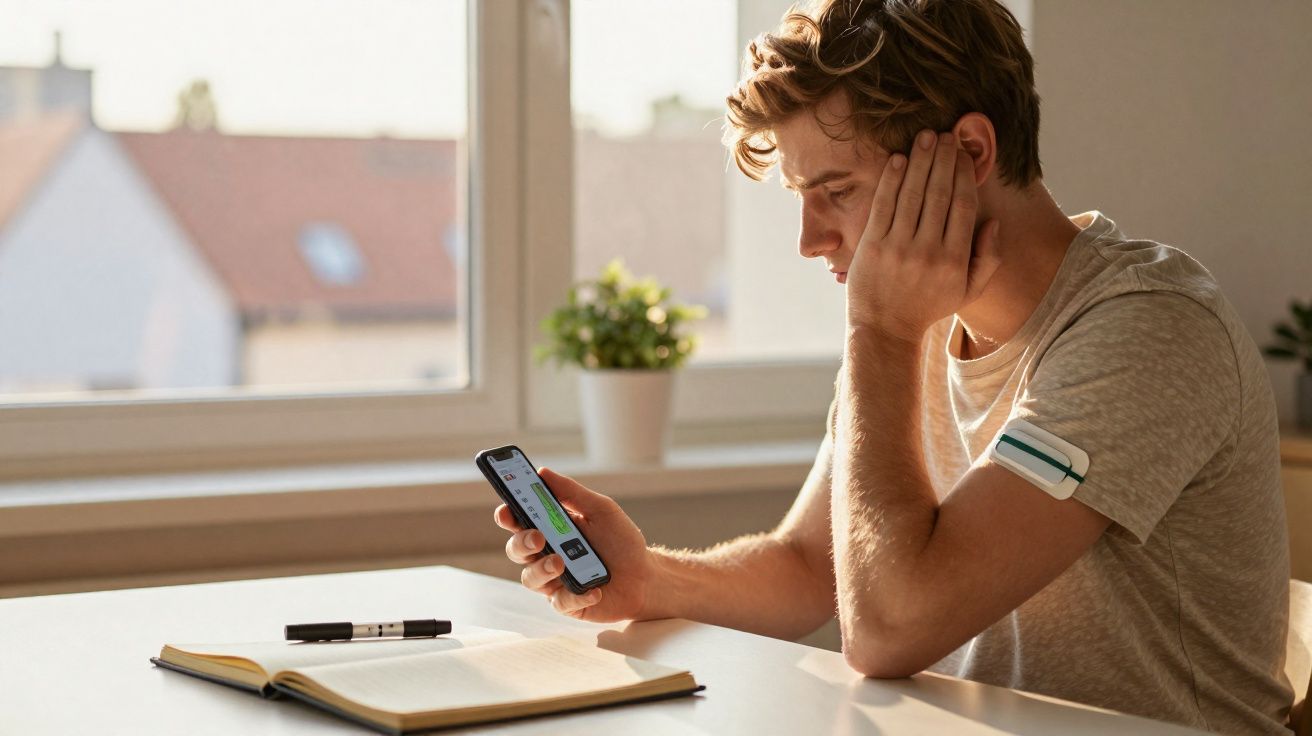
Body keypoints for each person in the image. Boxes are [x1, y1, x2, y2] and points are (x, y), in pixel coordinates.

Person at [493, 1, 1292, 732]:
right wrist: (652, 580)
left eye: (836, 190)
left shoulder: (1147, 325)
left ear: (970, 151)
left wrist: (879, 332)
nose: (809, 240)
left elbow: (886, 628)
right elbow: (814, 567)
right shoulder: (915, 319)